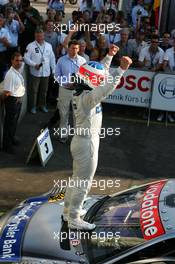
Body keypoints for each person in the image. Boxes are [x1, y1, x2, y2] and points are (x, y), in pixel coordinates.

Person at [62, 44, 132, 230]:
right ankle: (74, 218)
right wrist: (122, 70)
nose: (100, 79)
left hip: (81, 141)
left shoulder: (82, 90)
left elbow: (100, 73)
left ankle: (68, 210)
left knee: (77, 178)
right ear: (91, 79)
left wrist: (109, 56)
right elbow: (106, 87)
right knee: (83, 182)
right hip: (87, 145)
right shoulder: (88, 97)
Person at [55, 40, 86, 142]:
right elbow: (56, 76)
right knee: (63, 114)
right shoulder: (61, 60)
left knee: (77, 115)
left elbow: (85, 76)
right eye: (73, 48)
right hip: (64, 90)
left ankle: (76, 138)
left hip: (77, 91)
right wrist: (65, 83)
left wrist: (79, 83)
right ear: (68, 48)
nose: (75, 50)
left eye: (77, 48)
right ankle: (63, 136)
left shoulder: (82, 61)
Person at [24, 28, 56, 114]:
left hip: (46, 72)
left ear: (44, 35)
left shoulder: (49, 45)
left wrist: (53, 70)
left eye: (41, 36)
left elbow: (52, 58)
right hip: (35, 73)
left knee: (44, 91)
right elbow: (26, 58)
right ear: (35, 36)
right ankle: (33, 107)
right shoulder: (30, 46)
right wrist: (34, 64)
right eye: (38, 36)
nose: (40, 38)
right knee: (34, 91)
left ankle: (42, 105)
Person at [2, 52, 25, 154]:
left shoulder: (17, 70)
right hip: (12, 101)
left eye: (20, 60)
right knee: (9, 124)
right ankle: (7, 146)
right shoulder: (10, 75)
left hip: (17, 100)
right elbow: (6, 93)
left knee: (14, 123)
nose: (19, 63)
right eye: (16, 60)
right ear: (12, 61)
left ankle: (11, 139)